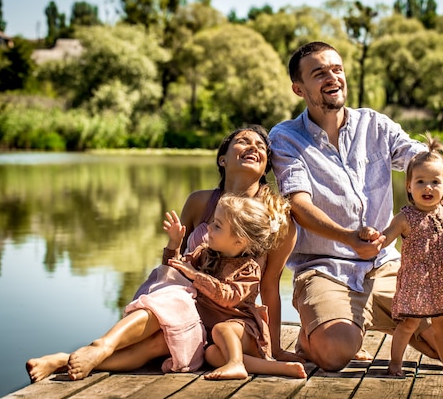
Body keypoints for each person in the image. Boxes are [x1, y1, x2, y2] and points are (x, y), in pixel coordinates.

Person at [268, 41, 443, 372]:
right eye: (319, 73)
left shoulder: (374, 125)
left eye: (337, 69)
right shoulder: (286, 138)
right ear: (298, 88)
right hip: (326, 267)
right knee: (334, 353)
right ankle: (316, 335)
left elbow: (424, 161)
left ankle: (380, 323)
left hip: (388, 266)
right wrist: (348, 238)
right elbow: (299, 204)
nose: (332, 77)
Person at [26, 125, 300, 382]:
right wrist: (173, 244)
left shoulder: (276, 217)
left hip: (228, 323)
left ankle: (73, 357)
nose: (253, 146)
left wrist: (273, 347)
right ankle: (82, 354)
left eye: (261, 145)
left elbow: (269, 285)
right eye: (242, 141)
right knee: (169, 310)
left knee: (164, 332)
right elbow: (173, 268)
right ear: (222, 160)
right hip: (185, 303)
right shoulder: (199, 202)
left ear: (266, 165)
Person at [358, 133, 443, 377]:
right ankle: (394, 363)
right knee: (408, 325)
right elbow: (385, 239)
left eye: (435, 182)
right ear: (409, 185)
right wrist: (372, 236)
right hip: (415, 283)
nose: (428, 187)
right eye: (420, 182)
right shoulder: (405, 217)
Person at [164, 194, 306, 379]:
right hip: (217, 339)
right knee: (212, 355)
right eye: (213, 222)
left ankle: (236, 363)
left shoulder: (249, 269)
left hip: (244, 330)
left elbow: (228, 296)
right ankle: (277, 368)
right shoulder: (205, 254)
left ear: (239, 241)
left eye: (217, 226)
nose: (209, 228)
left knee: (222, 329)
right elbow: (173, 271)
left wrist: (196, 275)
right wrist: (174, 243)